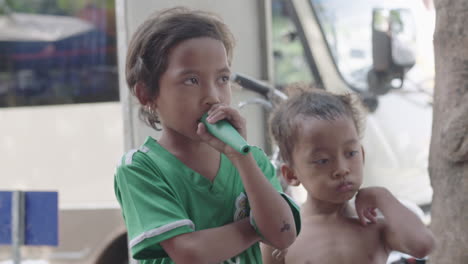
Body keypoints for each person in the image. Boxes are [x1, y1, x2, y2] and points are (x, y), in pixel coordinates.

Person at [114, 7, 300, 264]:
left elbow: (283, 235)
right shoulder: (141, 168)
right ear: (147, 94)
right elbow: (190, 254)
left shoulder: (251, 160)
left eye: (222, 78)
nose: (213, 96)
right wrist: (257, 226)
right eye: (191, 80)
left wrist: (242, 158)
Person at [262, 86, 435, 264]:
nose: (342, 169)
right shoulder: (284, 236)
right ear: (291, 174)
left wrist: (381, 196)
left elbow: (422, 246)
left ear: (363, 155)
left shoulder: (374, 226)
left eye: (351, 153)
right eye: (322, 160)